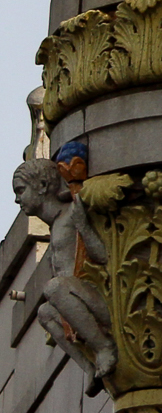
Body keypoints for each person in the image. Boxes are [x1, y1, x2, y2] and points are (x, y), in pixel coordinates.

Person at [11, 157, 114, 390]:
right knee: (45, 312)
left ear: (43, 186)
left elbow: (103, 256)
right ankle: (89, 365)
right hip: (77, 310)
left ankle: (105, 347)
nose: (17, 199)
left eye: (21, 190)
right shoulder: (55, 226)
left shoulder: (71, 216)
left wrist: (84, 227)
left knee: (54, 287)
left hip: (100, 302)